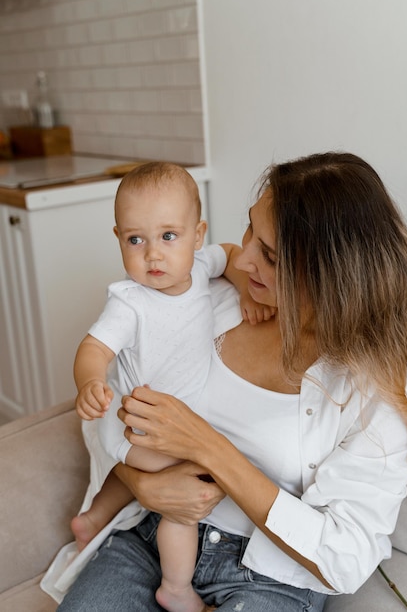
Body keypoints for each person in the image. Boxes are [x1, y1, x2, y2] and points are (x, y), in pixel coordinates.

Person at [54, 151, 407, 612]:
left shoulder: (380, 385)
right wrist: (140, 483)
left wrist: (209, 447)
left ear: (328, 277)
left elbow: (346, 556)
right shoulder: (208, 300)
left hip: (266, 576)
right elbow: (107, 400)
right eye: (250, 230)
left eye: (267, 254)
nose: (242, 259)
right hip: (151, 537)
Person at [71, 161, 273, 612]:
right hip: (146, 425)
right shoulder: (130, 302)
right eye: (135, 240)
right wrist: (89, 381)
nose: (153, 255)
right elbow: (93, 348)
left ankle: (93, 518)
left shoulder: (201, 266)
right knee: (185, 493)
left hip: (161, 424)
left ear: (196, 235)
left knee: (144, 474)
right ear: (119, 238)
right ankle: (177, 587)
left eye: (168, 236)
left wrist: (243, 288)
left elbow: (228, 254)